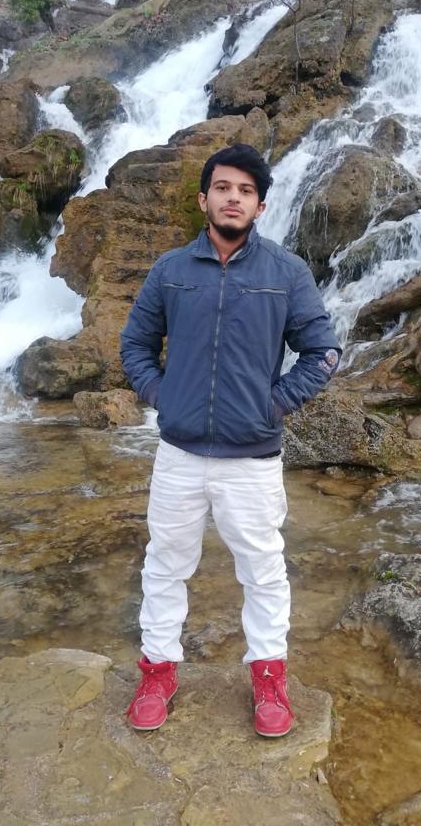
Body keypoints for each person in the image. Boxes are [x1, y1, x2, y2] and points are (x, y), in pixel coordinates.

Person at [119, 143, 341, 738]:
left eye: (245, 191)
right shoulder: (171, 270)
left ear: (260, 206)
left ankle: (269, 678)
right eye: (223, 188)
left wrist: (275, 404)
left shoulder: (286, 273)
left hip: (252, 458)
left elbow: (323, 352)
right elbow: (134, 344)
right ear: (204, 199)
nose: (233, 198)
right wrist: (163, 395)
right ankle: (158, 672)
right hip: (179, 453)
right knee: (165, 565)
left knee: (263, 570)